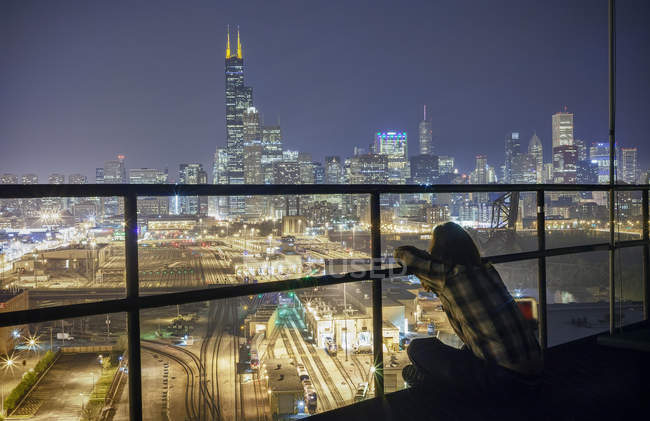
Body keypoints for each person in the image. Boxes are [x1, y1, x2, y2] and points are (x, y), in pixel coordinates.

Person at [394, 222, 542, 401]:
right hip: (536, 373)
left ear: (439, 251)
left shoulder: (447, 275)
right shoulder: (488, 270)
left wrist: (430, 258)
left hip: (505, 382)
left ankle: (435, 386)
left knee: (418, 348)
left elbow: (402, 254)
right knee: (466, 349)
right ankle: (436, 381)